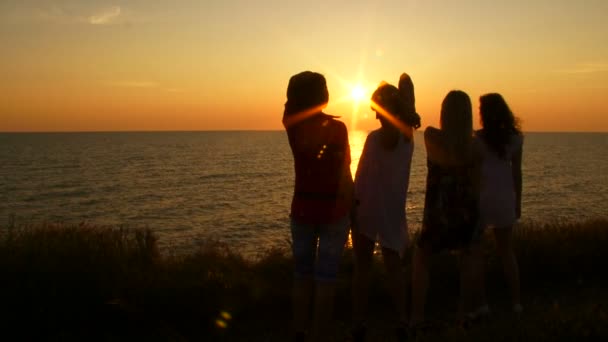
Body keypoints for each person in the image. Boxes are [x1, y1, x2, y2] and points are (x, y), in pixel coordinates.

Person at [282, 71, 354, 342]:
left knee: (301, 276)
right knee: (325, 278)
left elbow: (288, 107)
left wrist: (296, 96)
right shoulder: (338, 129)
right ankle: (320, 333)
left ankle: (299, 331)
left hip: (302, 210)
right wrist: (352, 206)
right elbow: (344, 172)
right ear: (323, 96)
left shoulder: (293, 126)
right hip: (333, 212)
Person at [351, 78, 421, 342]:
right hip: (392, 210)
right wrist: (406, 105)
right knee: (395, 270)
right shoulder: (407, 139)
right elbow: (407, 82)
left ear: (378, 110)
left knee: (362, 268)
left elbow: (360, 178)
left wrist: (352, 208)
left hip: (367, 208)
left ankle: (359, 323)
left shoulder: (373, 139)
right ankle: (402, 320)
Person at [409, 90, 480, 330]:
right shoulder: (474, 146)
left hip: (437, 211)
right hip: (465, 211)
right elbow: (478, 182)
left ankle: (418, 316)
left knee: (422, 258)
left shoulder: (431, 136)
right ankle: (463, 314)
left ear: (444, 113)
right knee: (468, 257)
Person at [473, 93, 523, 317]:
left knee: (477, 253)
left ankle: (482, 304)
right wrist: (518, 202)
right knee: (507, 252)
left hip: (482, 200)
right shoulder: (515, 138)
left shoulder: (477, 139)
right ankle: (516, 302)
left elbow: (473, 172)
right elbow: (516, 173)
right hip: (504, 199)